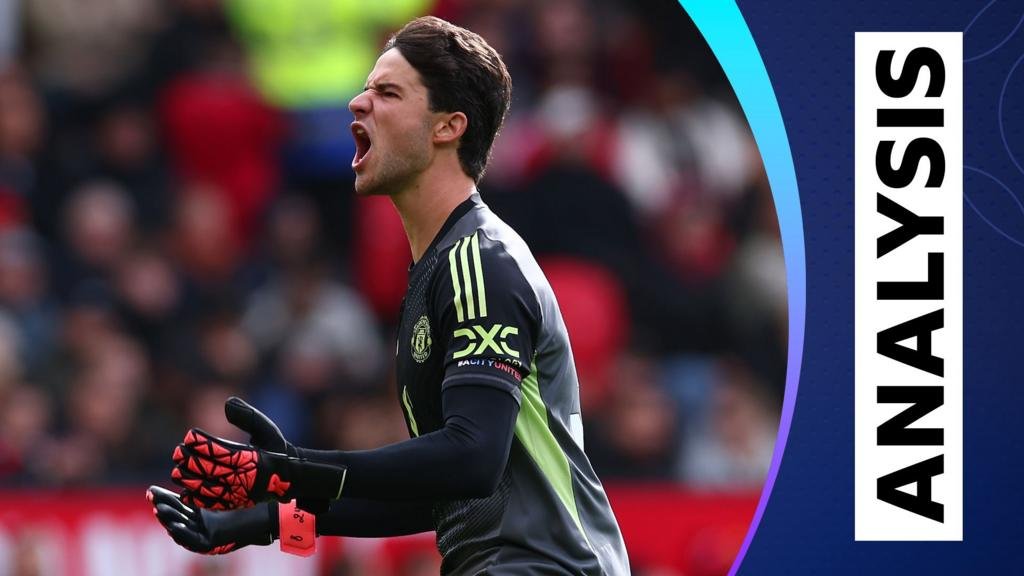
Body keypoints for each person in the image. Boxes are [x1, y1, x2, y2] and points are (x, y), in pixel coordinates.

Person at [148, 16, 630, 575]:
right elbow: (444, 490)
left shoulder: (478, 262)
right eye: (366, 88)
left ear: (447, 127)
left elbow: (473, 458)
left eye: (388, 92)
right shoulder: (439, 269)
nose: (358, 103)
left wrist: (290, 468)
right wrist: (269, 519)